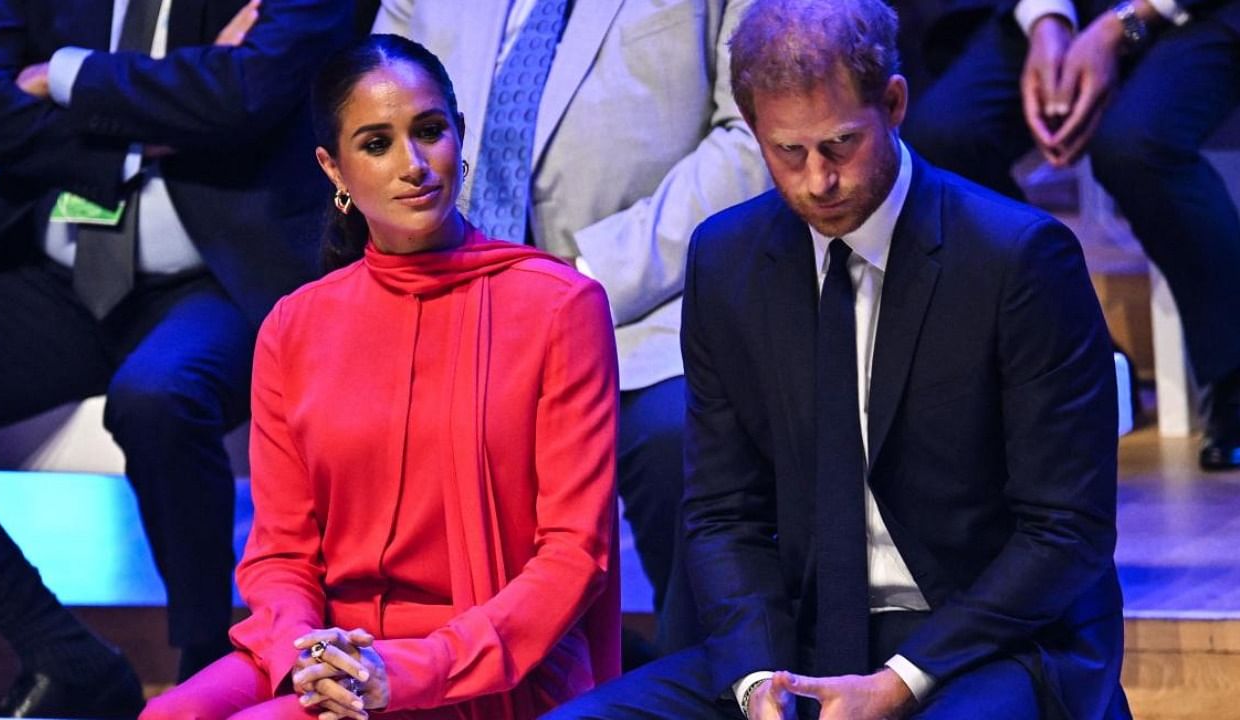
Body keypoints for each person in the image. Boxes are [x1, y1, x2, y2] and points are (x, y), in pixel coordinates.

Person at [545, 0, 1131, 718]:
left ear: (894, 103)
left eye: (840, 145)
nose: (817, 180)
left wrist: (901, 679)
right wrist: (759, 680)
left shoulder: (1018, 259)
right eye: (787, 153)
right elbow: (725, 514)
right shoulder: (726, 261)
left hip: (987, 642)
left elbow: (1066, 532)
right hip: (802, 637)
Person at [140, 33, 620, 720]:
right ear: (333, 169)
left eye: (430, 131)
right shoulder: (293, 326)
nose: (414, 165)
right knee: (166, 715)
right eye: (376, 144)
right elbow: (279, 553)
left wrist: (408, 668)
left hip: (476, 663)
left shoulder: (558, 307)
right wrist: (308, 654)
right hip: (328, 650)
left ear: (459, 134)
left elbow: (574, 557)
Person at [0, 0, 355, 711]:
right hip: (53, 271)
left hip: (219, 274)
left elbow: (246, 94)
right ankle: (57, 646)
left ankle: (211, 665)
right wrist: (151, 125)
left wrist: (64, 77)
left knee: (161, 395)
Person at [371, 0, 772, 657]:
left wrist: (586, 276)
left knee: (678, 435)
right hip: (452, 299)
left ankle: (702, 682)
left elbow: (754, 131)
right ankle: (446, 672)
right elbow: (374, 109)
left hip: (648, 300)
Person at [904, 0, 1240, 470]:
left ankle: (1233, 375)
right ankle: (1078, 347)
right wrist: (1046, 22)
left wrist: (1121, 25)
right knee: (942, 135)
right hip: (1065, 10)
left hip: (1203, 12)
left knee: (1136, 144)